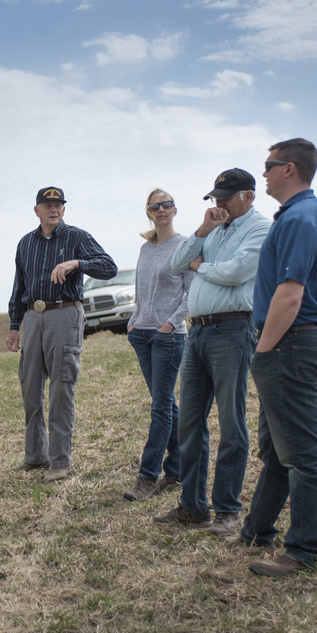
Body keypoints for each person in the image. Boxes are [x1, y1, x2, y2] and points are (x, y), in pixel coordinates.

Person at [238, 138, 317, 578]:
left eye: (268, 165)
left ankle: (303, 553)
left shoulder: (300, 218)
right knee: (278, 451)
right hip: (289, 344)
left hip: (288, 344)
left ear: (289, 169)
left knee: (301, 453)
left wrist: (262, 351)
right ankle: (256, 531)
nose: (263, 173)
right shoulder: (300, 215)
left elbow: (290, 293)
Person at [153, 169, 271, 533]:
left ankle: (228, 510)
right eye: (215, 198)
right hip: (199, 333)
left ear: (248, 196)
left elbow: (237, 272)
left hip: (234, 329)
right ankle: (193, 506)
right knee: (189, 421)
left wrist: (201, 266)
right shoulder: (214, 230)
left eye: (225, 197)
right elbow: (175, 264)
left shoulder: (260, 228)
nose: (218, 204)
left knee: (231, 422)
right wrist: (202, 230)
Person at [6, 187, 117, 483]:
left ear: (64, 210)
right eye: (47, 205)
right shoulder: (25, 243)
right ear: (37, 210)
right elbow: (19, 288)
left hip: (65, 314)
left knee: (60, 389)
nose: (53, 209)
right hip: (32, 316)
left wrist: (77, 263)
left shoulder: (77, 237)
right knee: (30, 388)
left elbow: (109, 267)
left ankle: (60, 461)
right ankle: (35, 456)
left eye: (58, 205)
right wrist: (15, 325)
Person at [122, 189, 193, 501]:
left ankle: (147, 477)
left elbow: (192, 293)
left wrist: (170, 323)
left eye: (166, 204)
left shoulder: (186, 246)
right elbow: (142, 289)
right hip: (142, 334)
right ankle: (177, 469)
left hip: (170, 337)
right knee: (166, 404)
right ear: (149, 213)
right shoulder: (145, 248)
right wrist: (134, 320)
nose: (161, 209)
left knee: (160, 407)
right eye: (155, 206)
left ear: (175, 210)